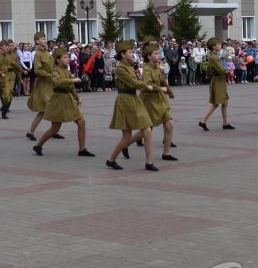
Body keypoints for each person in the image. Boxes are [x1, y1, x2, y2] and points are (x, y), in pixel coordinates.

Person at [105, 41, 163, 171]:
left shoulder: (130, 66)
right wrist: (148, 86)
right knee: (127, 136)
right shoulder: (121, 69)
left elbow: (137, 80)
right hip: (125, 101)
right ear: (123, 54)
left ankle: (149, 162)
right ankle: (111, 159)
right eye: (130, 52)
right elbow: (134, 83)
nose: (133, 54)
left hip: (133, 99)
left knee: (147, 130)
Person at [31, 47, 95, 158]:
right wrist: (72, 80)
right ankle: (38, 145)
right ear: (57, 60)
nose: (68, 59)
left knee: (81, 122)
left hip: (68, 99)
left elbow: (71, 88)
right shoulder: (55, 71)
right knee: (55, 129)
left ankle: (82, 149)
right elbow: (58, 82)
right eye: (65, 57)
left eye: (68, 57)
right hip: (58, 101)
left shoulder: (66, 70)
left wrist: (77, 98)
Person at [141, 43, 177, 160]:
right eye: (156, 53)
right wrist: (161, 89)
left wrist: (170, 92)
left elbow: (162, 82)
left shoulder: (157, 66)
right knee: (147, 130)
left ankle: (166, 153)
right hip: (149, 100)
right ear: (149, 56)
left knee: (169, 124)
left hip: (159, 99)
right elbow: (148, 85)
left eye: (158, 53)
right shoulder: (146, 68)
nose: (159, 55)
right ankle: (126, 143)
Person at [26, 32, 60, 142]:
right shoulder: (38, 54)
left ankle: (54, 130)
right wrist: (50, 75)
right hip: (43, 85)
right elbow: (37, 70)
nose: (45, 40)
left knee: (52, 108)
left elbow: (53, 66)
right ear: (37, 41)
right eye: (42, 39)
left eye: (45, 38)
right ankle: (30, 132)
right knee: (44, 110)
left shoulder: (48, 53)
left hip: (51, 84)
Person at [198, 38, 232, 131]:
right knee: (215, 104)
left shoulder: (214, 56)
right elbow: (220, 69)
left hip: (219, 80)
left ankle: (225, 124)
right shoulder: (213, 57)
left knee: (224, 103)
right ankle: (203, 121)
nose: (220, 46)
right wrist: (228, 72)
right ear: (213, 47)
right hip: (217, 81)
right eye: (218, 44)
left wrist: (226, 72)